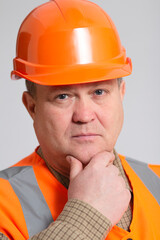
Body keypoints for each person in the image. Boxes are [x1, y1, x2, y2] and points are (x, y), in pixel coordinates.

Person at [0, 0, 160, 239]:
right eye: (63, 96)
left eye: (99, 92)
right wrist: (87, 216)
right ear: (31, 107)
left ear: (121, 94)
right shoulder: (5, 202)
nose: (84, 116)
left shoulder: (156, 182)